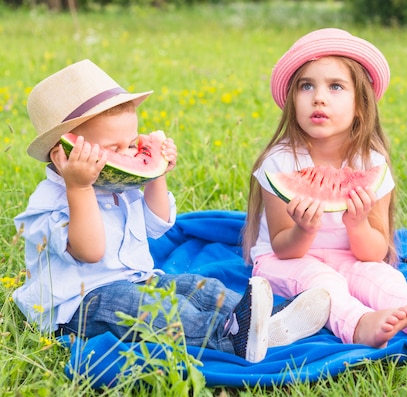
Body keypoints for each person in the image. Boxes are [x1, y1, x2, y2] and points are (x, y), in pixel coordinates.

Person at [13, 59, 330, 363]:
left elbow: (158, 225)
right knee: (152, 311)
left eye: (132, 144)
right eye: (114, 149)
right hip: (80, 307)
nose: (127, 154)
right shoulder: (48, 206)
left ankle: (276, 317)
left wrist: (156, 175)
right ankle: (229, 336)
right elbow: (90, 251)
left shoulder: (118, 186)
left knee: (194, 287)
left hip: (139, 280)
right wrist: (79, 188)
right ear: (62, 156)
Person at [243, 28, 407, 350]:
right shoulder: (279, 163)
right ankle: (359, 325)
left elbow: (374, 253)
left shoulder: (371, 164)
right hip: (286, 261)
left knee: (385, 281)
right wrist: (304, 230)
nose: (319, 97)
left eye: (335, 86)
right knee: (322, 283)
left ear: (360, 105)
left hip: (354, 258)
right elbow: (282, 248)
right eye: (307, 86)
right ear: (292, 100)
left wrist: (357, 223)